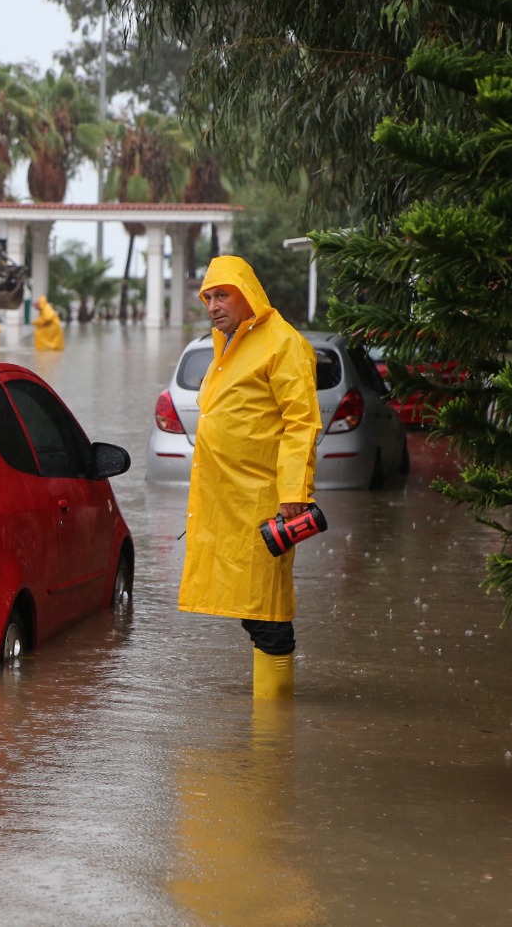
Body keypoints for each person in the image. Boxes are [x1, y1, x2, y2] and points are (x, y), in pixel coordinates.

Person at [179, 255, 321, 698]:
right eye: (208, 297)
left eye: (222, 295)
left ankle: (274, 731)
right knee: (250, 608)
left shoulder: (283, 343)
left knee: (268, 611)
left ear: (247, 295)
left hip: (263, 501)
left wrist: (293, 497)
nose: (213, 306)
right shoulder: (227, 344)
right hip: (225, 500)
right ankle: (268, 731)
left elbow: (302, 423)